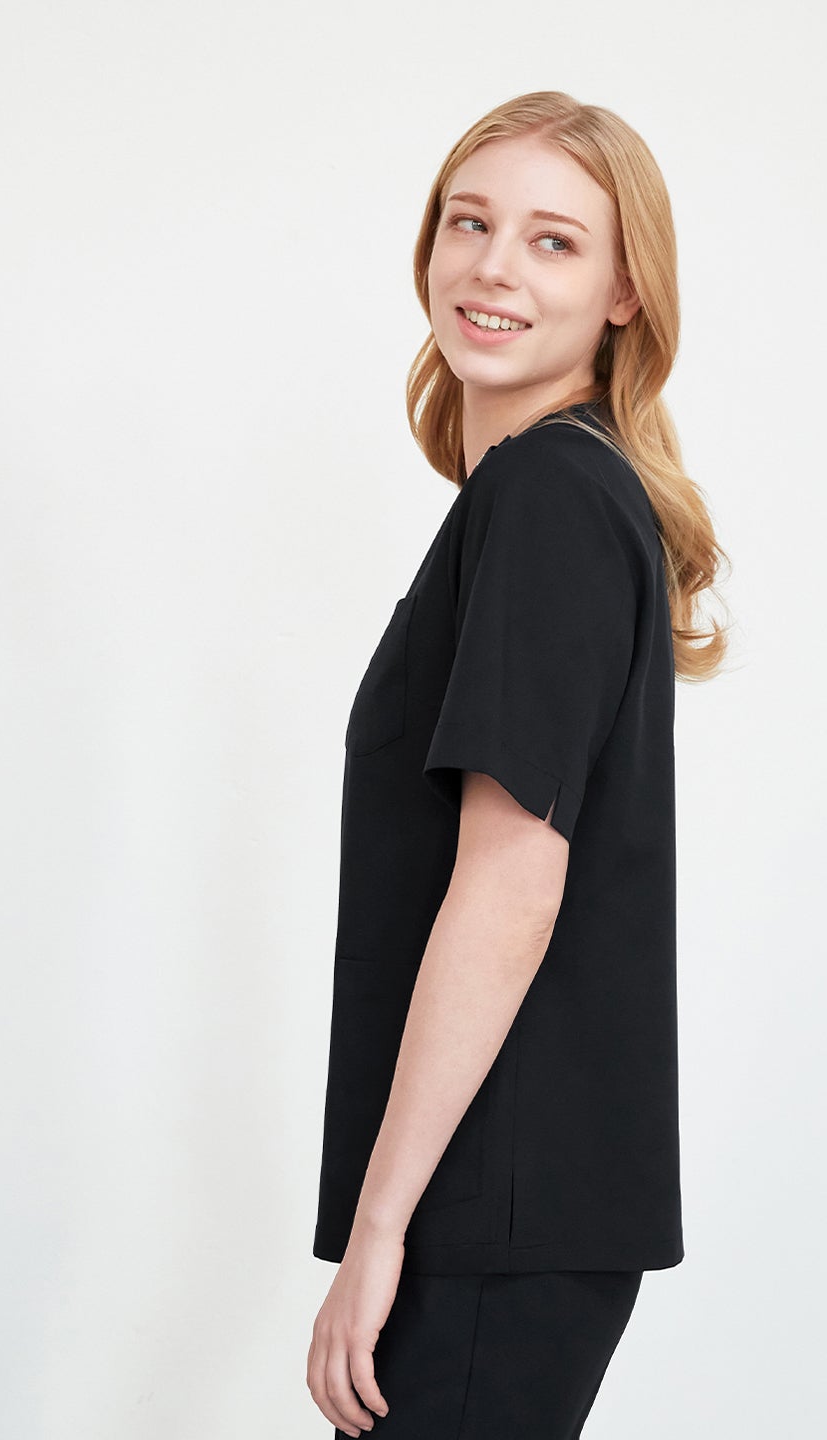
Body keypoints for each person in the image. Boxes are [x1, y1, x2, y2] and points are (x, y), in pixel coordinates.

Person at [306, 90, 729, 1439]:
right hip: (510, 1198)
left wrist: (382, 1232)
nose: (491, 265)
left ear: (624, 292)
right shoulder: (548, 494)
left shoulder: (548, 495)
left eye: (554, 241)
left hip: (493, 1202)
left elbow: (511, 883)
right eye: (470, 221)